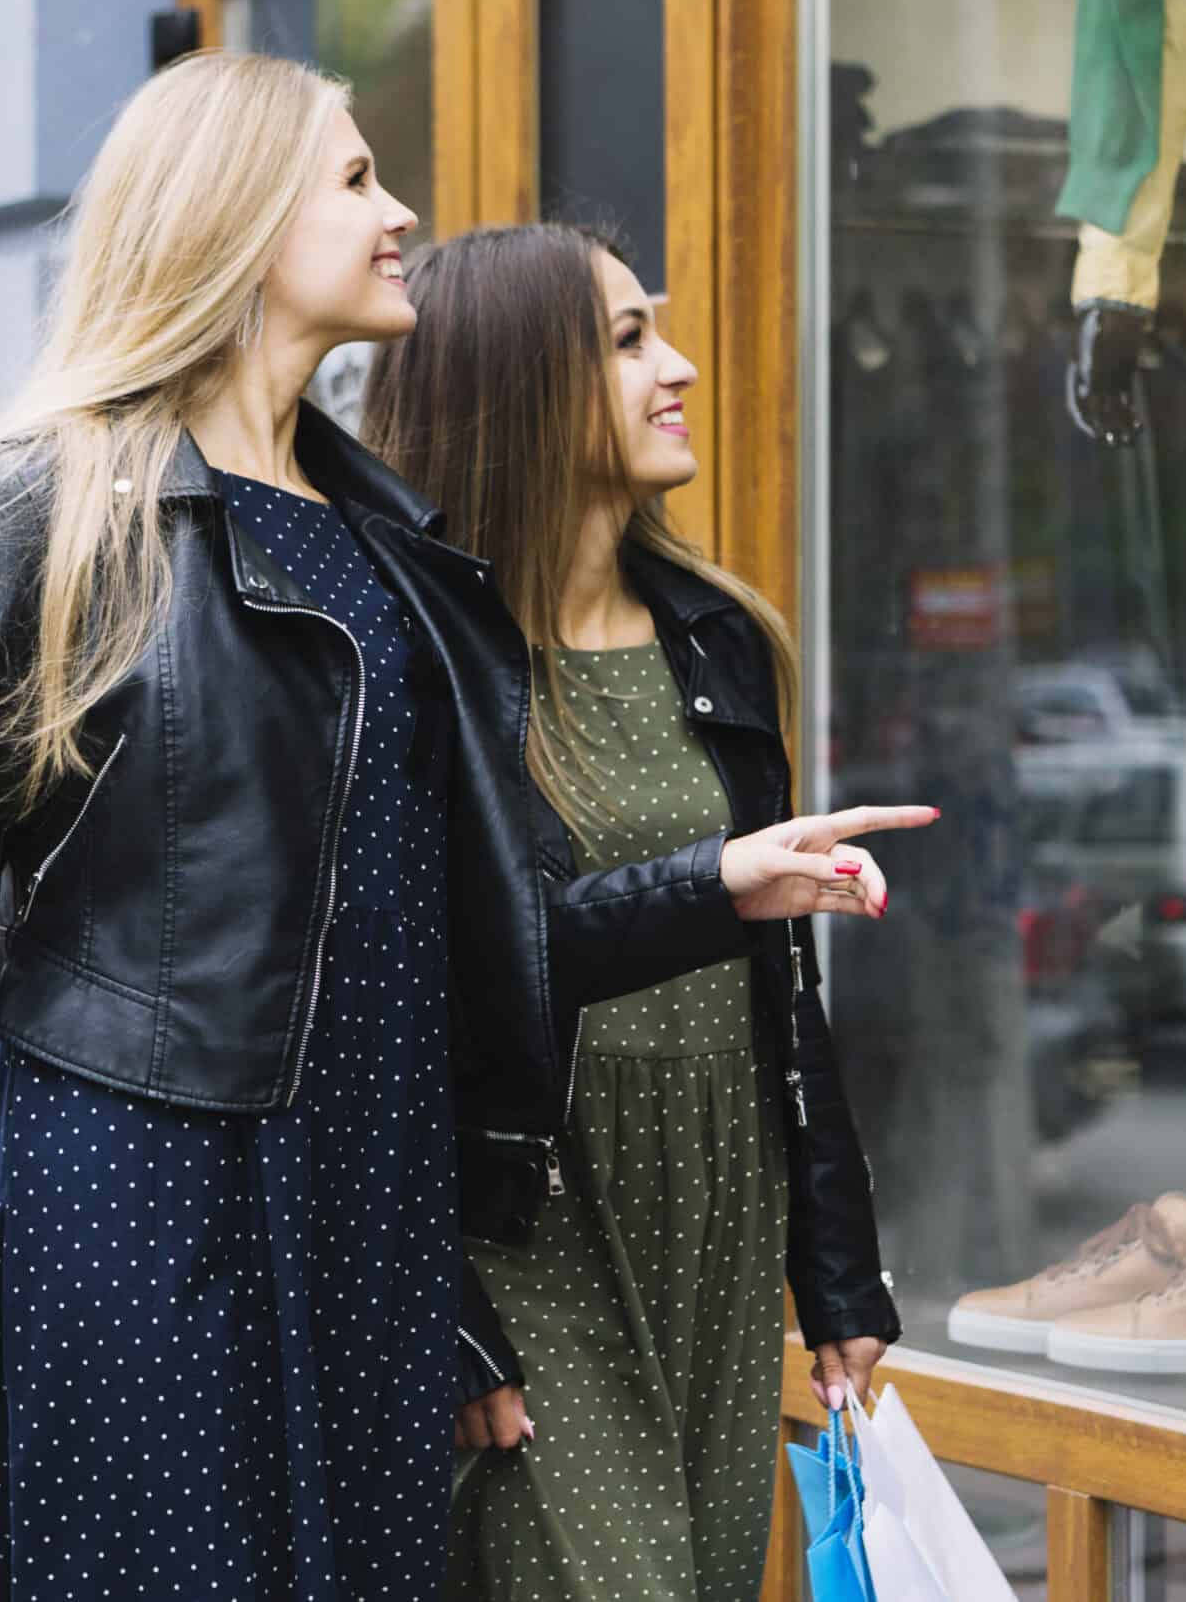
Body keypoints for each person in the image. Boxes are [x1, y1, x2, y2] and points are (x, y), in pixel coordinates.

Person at [0, 53, 929, 1600]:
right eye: (353, 179)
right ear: (238, 217)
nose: (398, 212)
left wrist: (713, 888)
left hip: (372, 1236)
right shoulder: (50, 512)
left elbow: (452, 935)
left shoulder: (392, 547)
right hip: (150, 1222)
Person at [363, 224, 904, 1601]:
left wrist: (838, 1278)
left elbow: (786, 999)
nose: (682, 365)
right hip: (536, 1222)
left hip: (718, 1202)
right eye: (625, 340)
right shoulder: (414, 666)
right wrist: (450, 1318)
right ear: (518, 386)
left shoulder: (719, 636)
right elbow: (410, 996)